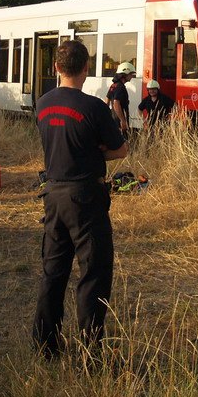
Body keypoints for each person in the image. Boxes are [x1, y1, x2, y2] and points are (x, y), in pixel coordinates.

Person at [33, 40, 128, 359]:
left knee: (53, 270)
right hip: (86, 196)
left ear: (56, 68)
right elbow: (120, 149)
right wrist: (98, 149)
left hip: (53, 194)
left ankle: (44, 345)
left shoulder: (43, 103)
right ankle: (90, 349)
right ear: (86, 69)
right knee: (93, 271)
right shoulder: (94, 108)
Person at [106, 62, 136, 137]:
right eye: (131, 74)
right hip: (119, 121)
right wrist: (123, 121)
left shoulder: (113, 85)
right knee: (123, 142)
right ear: (125, 74)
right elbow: (116, 103)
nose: (132, 76)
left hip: (114, 119)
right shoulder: (120, 87)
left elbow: (107, 100)